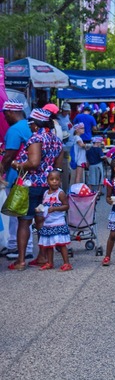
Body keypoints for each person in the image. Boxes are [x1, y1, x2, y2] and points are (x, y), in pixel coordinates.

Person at [8, 108, 63, 270]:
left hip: (30, 185)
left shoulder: (36, 138)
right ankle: (42, 257)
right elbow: (57, 168)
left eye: (30, 123)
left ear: (34, 124)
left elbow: (33, 163)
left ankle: (21, 261)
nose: (29, 126)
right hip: (47, 187)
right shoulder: (56, 140)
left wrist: (16, 164)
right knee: (41, 221)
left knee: (24, 222)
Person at [0, 100, 33, 260]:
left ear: (11, 113)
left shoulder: (14, 130)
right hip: (28, 177)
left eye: (5, 114)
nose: (4, 117)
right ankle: (16, 245)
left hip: (17, 177)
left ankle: (21, 247)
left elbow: (9, 156)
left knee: (17, 213)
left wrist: (1, 172)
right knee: (22, 213)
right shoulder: (29, 126)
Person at [35, 170, 72, 271]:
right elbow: (45, 205)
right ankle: (50, 262)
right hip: (48, 223)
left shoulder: (60, 193)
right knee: (48, 244)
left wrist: (55, 208)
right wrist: (39, 208)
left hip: (58, 222)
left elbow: (66, 206)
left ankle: (67, 263)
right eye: (52, 179)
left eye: (57, 179)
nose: (54, 181)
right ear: (47, 181)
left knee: (61, 244)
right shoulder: (46, 193)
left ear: (60, 181)